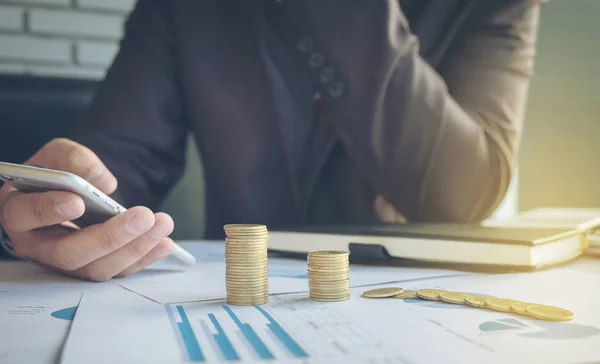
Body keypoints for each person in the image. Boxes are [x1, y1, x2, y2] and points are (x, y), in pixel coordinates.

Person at [0, 0, 542, 281]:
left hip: (416, 316)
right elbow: (110, 172)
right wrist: (47, 218)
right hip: (231, 304)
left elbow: (466, 193)